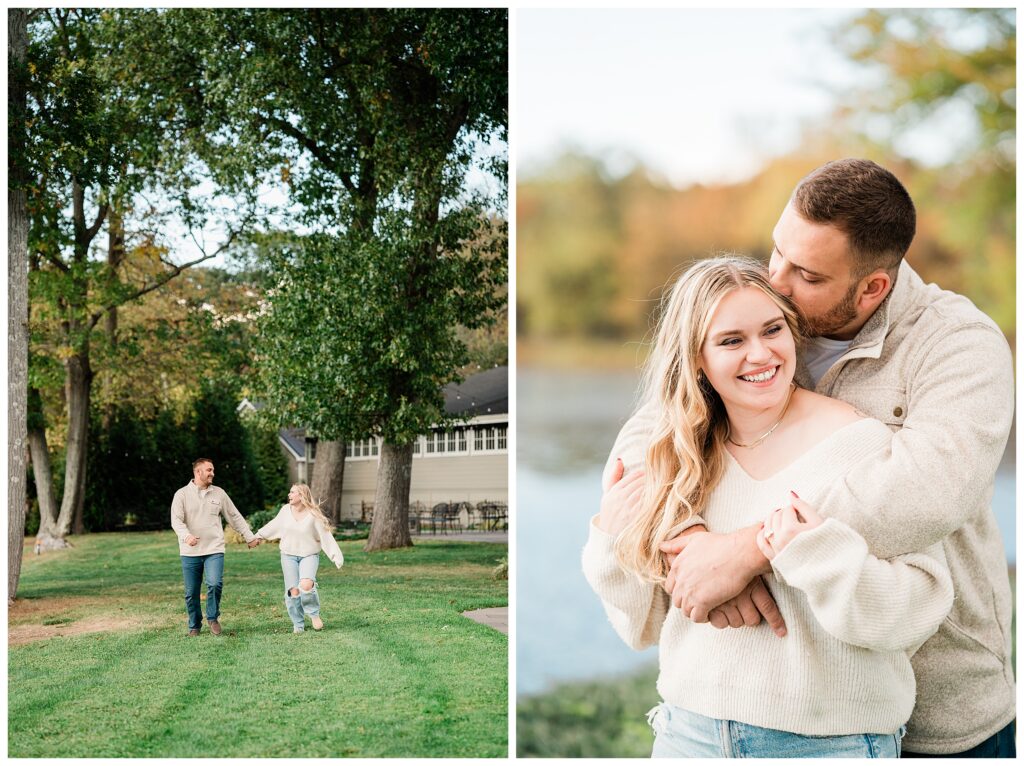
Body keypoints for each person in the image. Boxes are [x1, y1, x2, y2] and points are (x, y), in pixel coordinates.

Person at [601, 159, 1015, 757]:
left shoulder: (957, 345)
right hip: (766, 693)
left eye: (806, 274)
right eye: (776, 252)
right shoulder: (771, 320)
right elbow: (660, 422)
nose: (778, 280)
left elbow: (929, 487)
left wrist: (749, 549)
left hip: (935, 700)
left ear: (872, 288)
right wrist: (689, 536)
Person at [583, 256, 953, 757]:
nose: (761, 354)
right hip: (688, 736)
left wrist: (809, 556)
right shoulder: (677, 458)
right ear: (697, 359)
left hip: (831, 744)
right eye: (731, 341)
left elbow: (920, 608)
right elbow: (640, 627)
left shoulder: (862, 445)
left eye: (772, 330)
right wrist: (615, 531)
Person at [170, 457, 258, 636]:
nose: (212, 473)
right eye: (209, 470)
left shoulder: (219, 493)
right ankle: (194, 625)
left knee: (215, 583)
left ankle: (212, 617)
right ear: (198, 472)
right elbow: (176, 521)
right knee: (191, 592)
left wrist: (249, 536)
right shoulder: (182, 494)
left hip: (214, 549)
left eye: (212, 470)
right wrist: (186, 536)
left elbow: (234, 516)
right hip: (190, 551)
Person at [250, 483, 344, 633]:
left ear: (301, 496)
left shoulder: (313, 514)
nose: (289, 495)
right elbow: (274, 525)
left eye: (292, 492)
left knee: (306, 585)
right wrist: (259, 536)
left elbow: (325, 536)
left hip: (309, 555)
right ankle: (298, 624)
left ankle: (313, 614)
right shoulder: (285, 511)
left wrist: (336, 556)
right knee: (293, 591)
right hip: (288, 556)